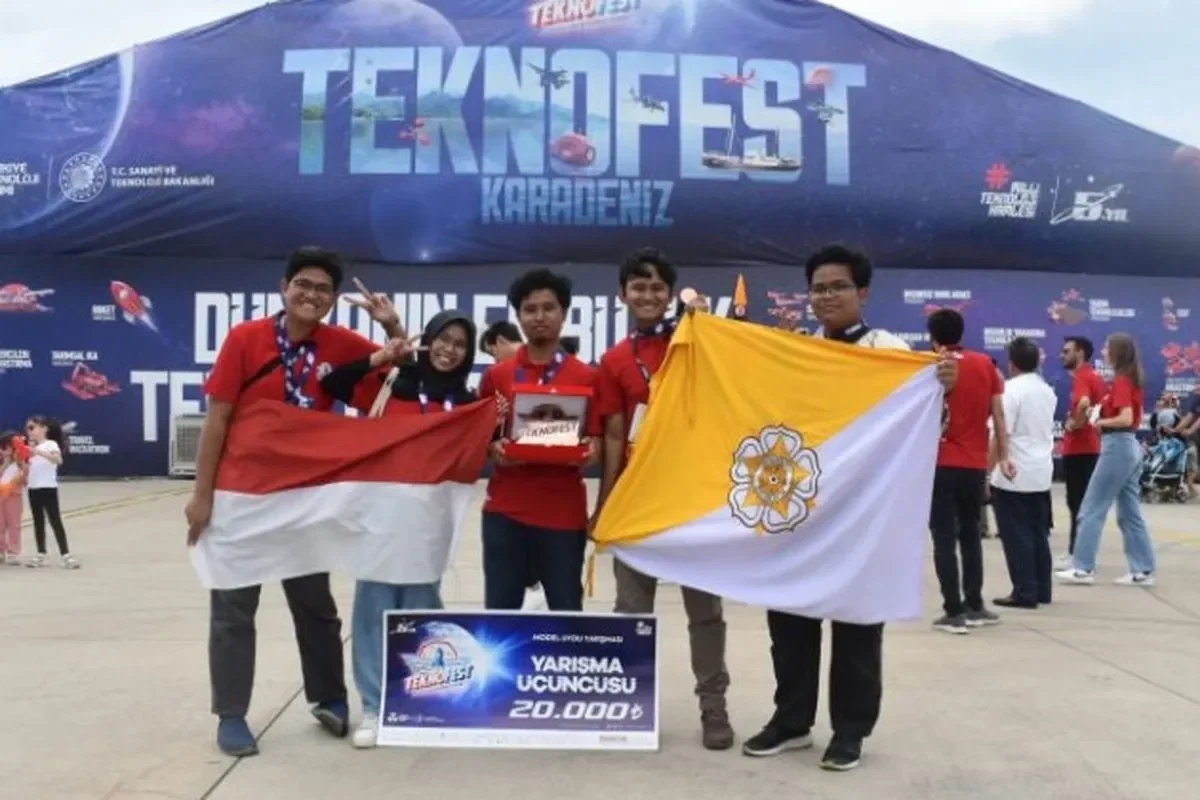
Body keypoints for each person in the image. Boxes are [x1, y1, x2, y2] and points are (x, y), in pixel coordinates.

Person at [742, 244, 958, 772]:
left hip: (866, 514)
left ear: (862, 292)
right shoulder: (798, 351)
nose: (826, 297)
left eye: (838, 287)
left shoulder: (892, 354)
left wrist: (941, 390)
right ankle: (791, 721)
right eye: (818, 287)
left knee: (858, 623)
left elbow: (929, 426)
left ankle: (850, 731)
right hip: (805, 510)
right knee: (789, 618)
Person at [185, 247, 402, 757]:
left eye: (323, 289)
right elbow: (217, 418)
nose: (311, 295)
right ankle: (231, 714)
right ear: (285, 287)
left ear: (332, 300)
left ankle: (328, 697)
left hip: (306, 497)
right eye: (302, 284)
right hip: (242, 495)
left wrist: (393, 327)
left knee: (314, 605)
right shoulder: (246, 339)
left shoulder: (343, 344)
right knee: (233, 608)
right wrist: (202, 496)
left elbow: (396, 384)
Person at [591, 247, 734, 751]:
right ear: (622, 294)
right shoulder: (612, 361)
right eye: (638, 286)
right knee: (630, 610)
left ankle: (713, 706)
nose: (647, 295)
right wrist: (606, 503)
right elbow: (611, 436)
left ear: (670, 294)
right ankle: (631, 704)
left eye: (656, 287)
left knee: (705, 613)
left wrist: (708, 327)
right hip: (638, 502)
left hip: (692, 500)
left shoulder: (695, 344)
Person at [320, 311, 478, 749]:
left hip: (429, 524)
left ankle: (426, 702)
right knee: (374, 613)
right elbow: (332, 386)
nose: (449, 349)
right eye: (442, 338)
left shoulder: (467, 403)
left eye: (460, 344)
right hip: (378, 519)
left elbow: (494, 443)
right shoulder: (391, 383)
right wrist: (377, 358)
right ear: (427, 340)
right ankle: (374, 705)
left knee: (423, 615)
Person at [477, 268, 597, 611]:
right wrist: (493, 448)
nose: (539, 317)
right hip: (505, 512)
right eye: (530, 310)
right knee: (501, 615)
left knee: (566, 615)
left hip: (563, 514)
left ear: (564, 313)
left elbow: (600, 439)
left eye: (549, 308)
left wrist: (591, 450)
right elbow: (481, 440)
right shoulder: (497, 376)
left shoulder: (587, 376)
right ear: (518, 316)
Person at [925, 309, 1013, 635]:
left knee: (944, 538)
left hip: (942, 461)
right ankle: (975, 605)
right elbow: (999, 417)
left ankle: (953, 610)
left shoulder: (933, 366)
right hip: (975, 464)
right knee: (971, 535)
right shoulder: (985, 365)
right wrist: (1004, 456)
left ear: (932, 336)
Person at [1057, 333, 1156, 586]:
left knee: (1091, 507)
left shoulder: (1122, 381)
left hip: (1118, 445)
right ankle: (1142, 569)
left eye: (1106, 348)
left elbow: (1125, 417)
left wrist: (1100, 421)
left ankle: (1083, 567)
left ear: (1116, 352)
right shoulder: (1130, 379)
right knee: (1129, 512)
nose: (1102, 352)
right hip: (1128, 445)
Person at [480, 319, 547, 610]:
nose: (492, 359)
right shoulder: (495, 378)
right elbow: (483, 434)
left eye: (491, 351)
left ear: (501, 342)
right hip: (510, 493)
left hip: (553, 491)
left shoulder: (555, 368)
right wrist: (492, 445)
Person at [989, 338, 1057, 609]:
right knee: (1038, 532)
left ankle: (1024, 591)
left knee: (1016, 534)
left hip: (1014, 469)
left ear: (1011, 363)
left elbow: (1001, 432)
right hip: (1041, 469)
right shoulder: (1046, 391)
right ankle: (1042, 588)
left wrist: (986, 471)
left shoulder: (1010, 391)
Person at [1057, 336, 1105, 569]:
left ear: (1081, 353)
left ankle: (1078, 555)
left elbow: (1084, 404)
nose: (1062, 355)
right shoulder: (1093, 377)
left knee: (1078, 503)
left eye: (1067, 351)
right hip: (1088, 449)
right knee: (1081, 502)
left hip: (1080, 449)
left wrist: (1074, 424)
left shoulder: (1082, 378)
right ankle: (1078, 552)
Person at [23, 416, 78, 570]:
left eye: (32, 428)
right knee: (38, 522)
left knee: (55, 521)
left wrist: (38, 452)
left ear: (44, 428)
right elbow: (28, 469)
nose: (29, 431)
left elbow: (58, 460)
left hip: (48, 488)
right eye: (27, 428)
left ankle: (66, 555)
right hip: (33, 488)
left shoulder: (50, 444)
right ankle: (41, 553)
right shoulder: (29, 446)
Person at [0, 432, 28, 565]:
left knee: (14, 525)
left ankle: (13, 552)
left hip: (14, 496)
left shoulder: (20, 463)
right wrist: (4, 464)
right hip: (0, 495)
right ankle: (1, 550)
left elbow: (25, 477)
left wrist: (21, 462)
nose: (2, 451)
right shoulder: (2, 462)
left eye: (5, 448)